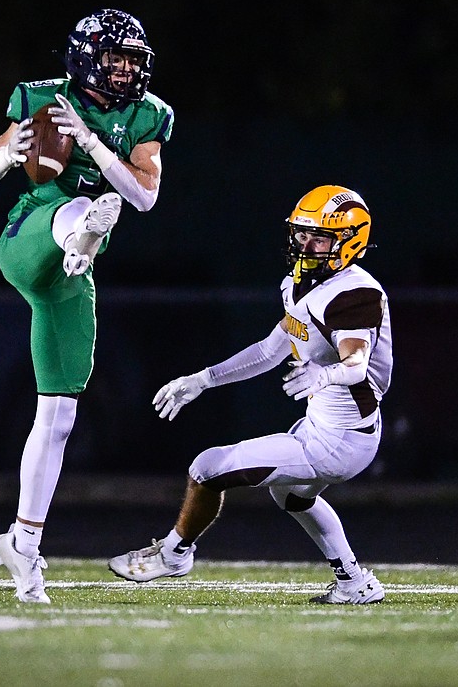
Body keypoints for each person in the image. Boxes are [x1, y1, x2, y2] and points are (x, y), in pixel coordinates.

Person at [0, 8, 174, 603]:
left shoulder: (146, 115)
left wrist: (95, 144)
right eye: (116, 58)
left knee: (59, 417)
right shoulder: (42, 99)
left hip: (73, 277)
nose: (128, 70)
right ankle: (80, 231)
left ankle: (22, 544)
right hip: (28, 237)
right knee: (78, 213)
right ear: (85, 58)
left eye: (134, 59)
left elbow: (145, 197)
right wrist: (4, 159)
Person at [108, 185, 392, 604]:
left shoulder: (353, 293)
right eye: (301, 234)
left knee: (208, 468)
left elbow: (356, 365)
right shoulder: (300, 285)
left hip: (343, 439)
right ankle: (354, 582)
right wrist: (202, 380)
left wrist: (324, 375)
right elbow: (268, 350)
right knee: (293, 495)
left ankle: (174, 554)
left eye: (319, 238)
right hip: (323, 427)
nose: (305, 245)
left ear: (350, 242)